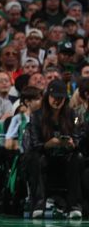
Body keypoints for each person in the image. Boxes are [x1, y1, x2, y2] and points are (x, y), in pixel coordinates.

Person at [22, 80, 83, 219]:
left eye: (60, 98)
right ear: (48, 97)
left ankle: (74, 205)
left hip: (65, 156)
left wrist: (72, 143)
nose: (57, 101)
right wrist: (49, 144)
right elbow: (35, 144)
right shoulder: (37, 116)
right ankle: (38, 203)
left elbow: (78, 137)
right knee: (35, 158)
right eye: (54, 97)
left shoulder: (72, 115)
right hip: (45, 156)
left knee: (77, 157)